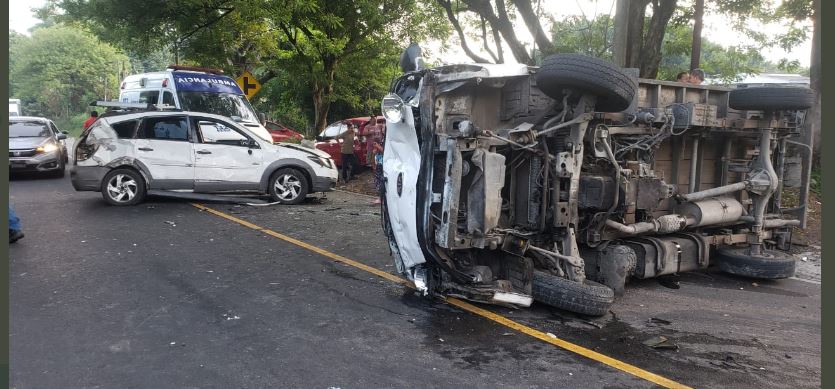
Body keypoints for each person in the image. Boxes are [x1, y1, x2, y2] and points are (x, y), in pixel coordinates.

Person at [371, 134, 385, 205]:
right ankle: (380, 198)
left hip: (383, 165)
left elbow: (385, 152)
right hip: (379, 165)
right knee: (378, 182)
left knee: (381, 182)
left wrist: (378, 147)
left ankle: (381, 199)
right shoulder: (378, 147)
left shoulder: (384, 144)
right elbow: (375, 156)